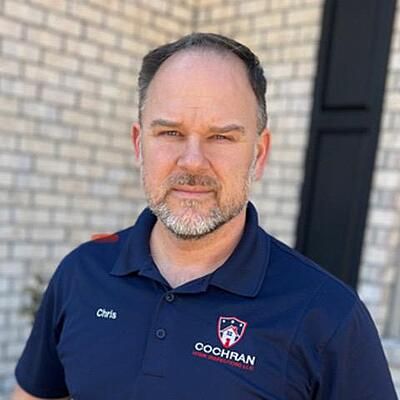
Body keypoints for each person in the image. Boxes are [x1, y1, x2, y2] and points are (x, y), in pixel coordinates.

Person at [13, 32, 397, 400]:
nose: (193, 162)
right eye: (170, 133)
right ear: (139, 145)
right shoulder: (82, 273)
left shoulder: (328, 316)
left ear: (259, 154)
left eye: (221, 137)